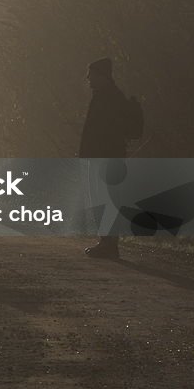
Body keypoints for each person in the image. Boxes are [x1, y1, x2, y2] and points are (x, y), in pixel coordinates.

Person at [79, 57, 129, 259]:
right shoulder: (108, 96)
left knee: (104, 199)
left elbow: (102, 132)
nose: (88, 80)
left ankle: (108, 244)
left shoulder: (108, 98)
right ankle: (107, 242)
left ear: (102, 76)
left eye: (92, 76)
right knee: (105, 198)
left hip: (106, 158)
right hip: (106, 157)